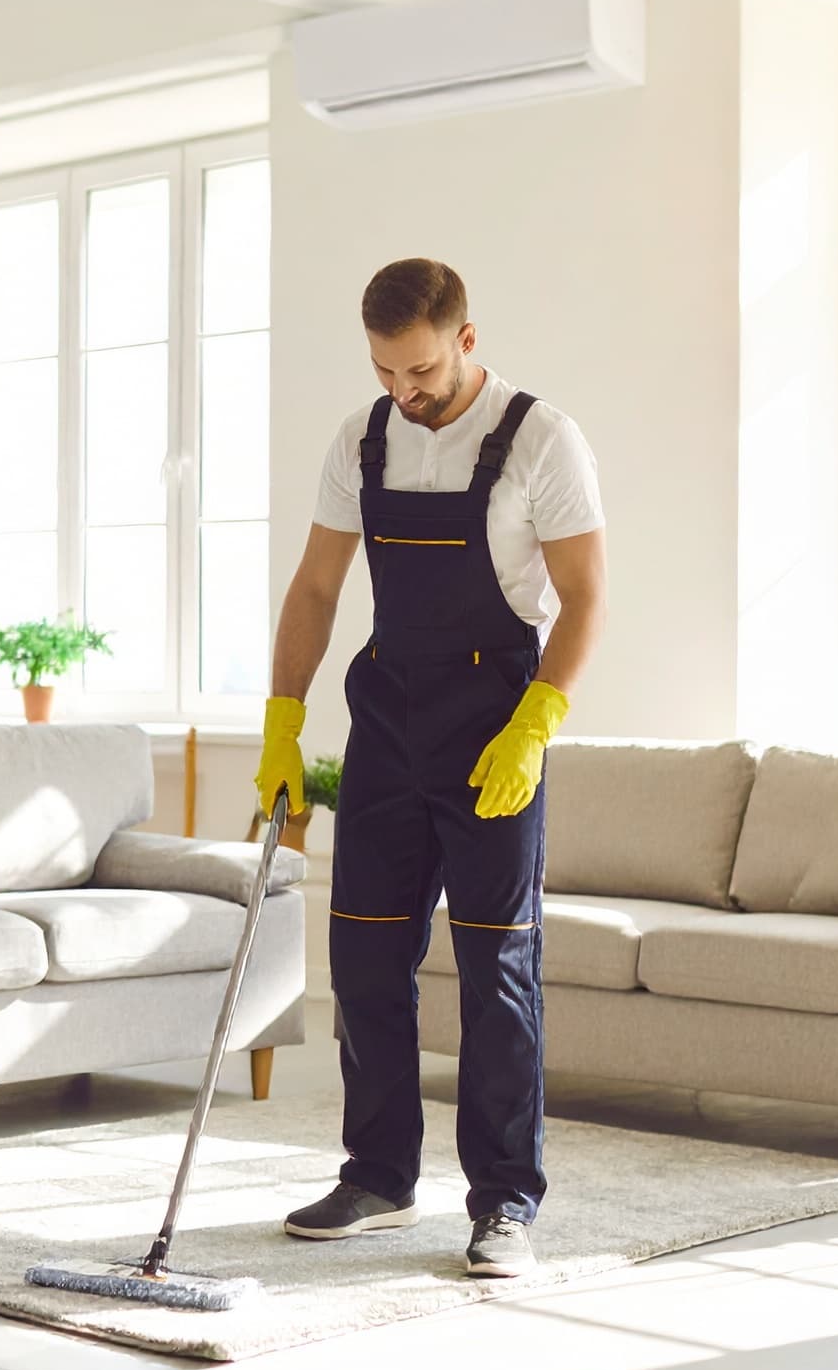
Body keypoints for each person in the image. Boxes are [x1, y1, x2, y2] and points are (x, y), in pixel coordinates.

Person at [256, 258, 606, 1278]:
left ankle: (504, 1205)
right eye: (384, 370)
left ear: (465, 338)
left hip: (493, 725)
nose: (403, 391)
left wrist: (537, 720)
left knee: (496, 969)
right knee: (364, 957)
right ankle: (378, 1176)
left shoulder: (540, 437)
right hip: (388, 724)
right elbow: (319, 587)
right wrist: (283, 721)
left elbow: (585, 595)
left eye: (418, 369)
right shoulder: (362, 438)